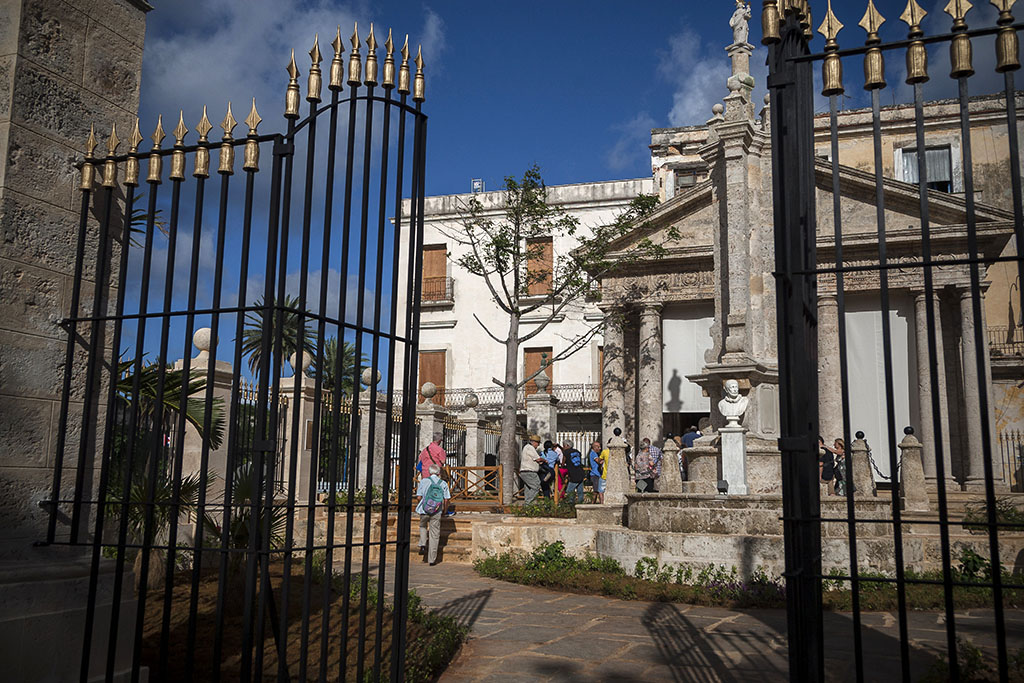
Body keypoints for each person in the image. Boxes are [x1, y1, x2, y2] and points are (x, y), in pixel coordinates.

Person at [415, 463, 451, 566]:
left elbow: (418, 497)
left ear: (430, 472)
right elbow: (446, 499)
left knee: (422, 525)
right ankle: (432, 559)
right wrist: (444, 510)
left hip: (424, 510)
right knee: (434, 534)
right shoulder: (443, 483)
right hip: (436, 511)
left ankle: (422, 544)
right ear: (439, 472)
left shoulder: (423, 481)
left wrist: (421, 505)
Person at [519, 434, 544, 505]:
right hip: (529, 471)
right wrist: (545, 460)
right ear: (534, 442)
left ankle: (528, 505)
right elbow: (538, 459)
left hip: (525, 471)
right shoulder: (530, 447)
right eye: (538, 443)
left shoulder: (527, 447)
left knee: (528, 488)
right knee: (536, 486)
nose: (538, 445)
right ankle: (528, 503)